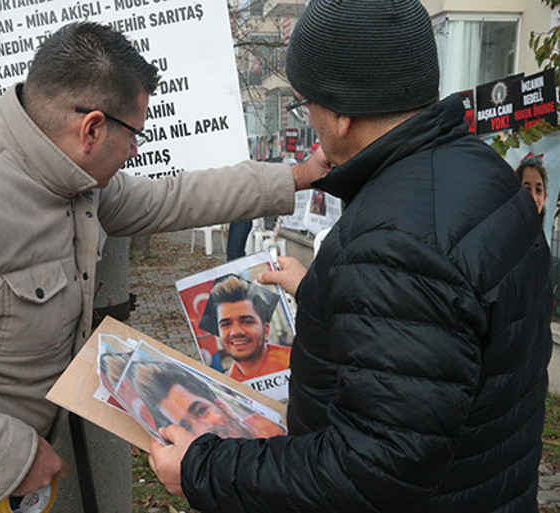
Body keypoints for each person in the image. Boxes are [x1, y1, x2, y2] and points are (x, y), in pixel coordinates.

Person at [0, 21, 329, 513]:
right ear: (92, 128)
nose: (135, 151)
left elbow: (171, 198)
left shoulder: (65, 174)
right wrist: (8, 455)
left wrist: (297, 177)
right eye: (134, 135)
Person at [148, 1, 553, 511]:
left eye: (306, 106)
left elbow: (369, 473)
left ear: (341, 115)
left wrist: (200, 468)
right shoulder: (480, 171)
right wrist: (324, 290)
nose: (309, 122)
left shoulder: (396, 245)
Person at [128, 361, 285, 439]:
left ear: (223, 406)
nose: (203, 431)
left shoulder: (276, 429)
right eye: (186, 427)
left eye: (201, 411)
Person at [197, 274, 290, 381]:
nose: (235, 332)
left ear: (266, 330)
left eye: (247, 322)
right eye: (226, 324)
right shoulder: (227, 387)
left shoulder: (298, 363)